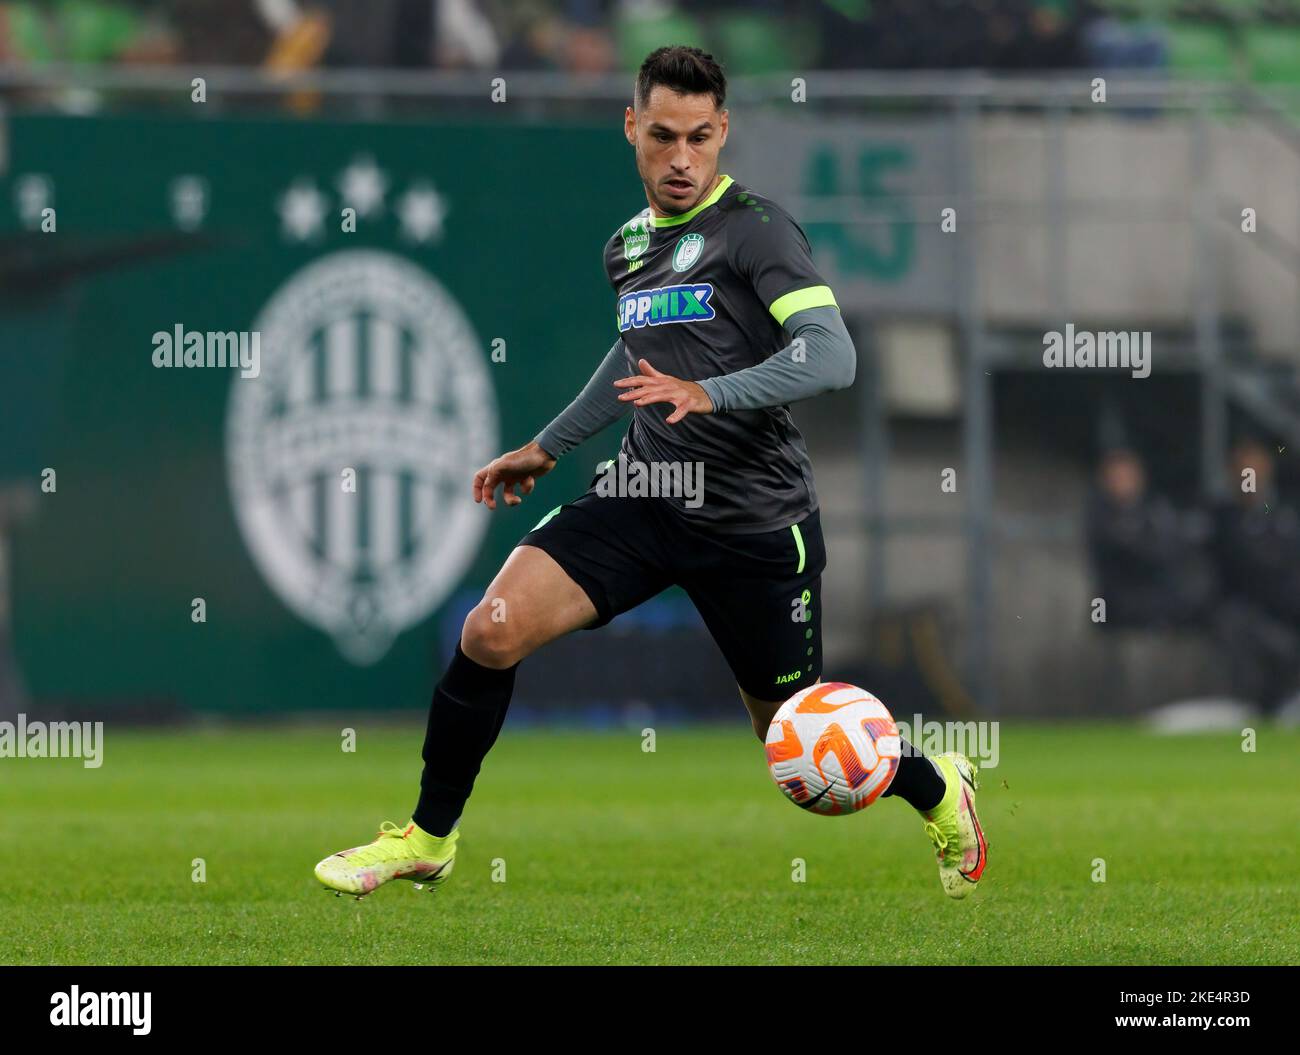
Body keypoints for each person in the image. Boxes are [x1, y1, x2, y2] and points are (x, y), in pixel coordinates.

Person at [313, 45, 986, 901]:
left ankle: (938, 788)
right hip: (646, 496)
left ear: (723, 132)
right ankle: (427, 836)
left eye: (700, 138)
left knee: (796, 746)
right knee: (490, 629)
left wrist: (712, 391)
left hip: (752, 521)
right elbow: (636, 350)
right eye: (663, 135)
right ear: (631, 126)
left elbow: (833, 355)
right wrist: (551, 444)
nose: (680, 158)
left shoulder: (757, 231)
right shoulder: (627, 247)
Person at [1212, 438, 1300, 715]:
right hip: (1245, 612)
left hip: (1286, 610)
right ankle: (1259, 707)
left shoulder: (1282, 515)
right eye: (1243, 470)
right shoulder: (1221, 517)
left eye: (1256, 469)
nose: (1250, 476)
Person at [1086, 446, 1213, 629]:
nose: (1123, 484)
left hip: (1156, 595)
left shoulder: (1154, 510)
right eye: (1117, 477)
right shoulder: (1099, 516)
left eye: (1127, 477)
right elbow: (1133, 552)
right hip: (1119, 602)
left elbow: (1172, 545)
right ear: (1104, 482)